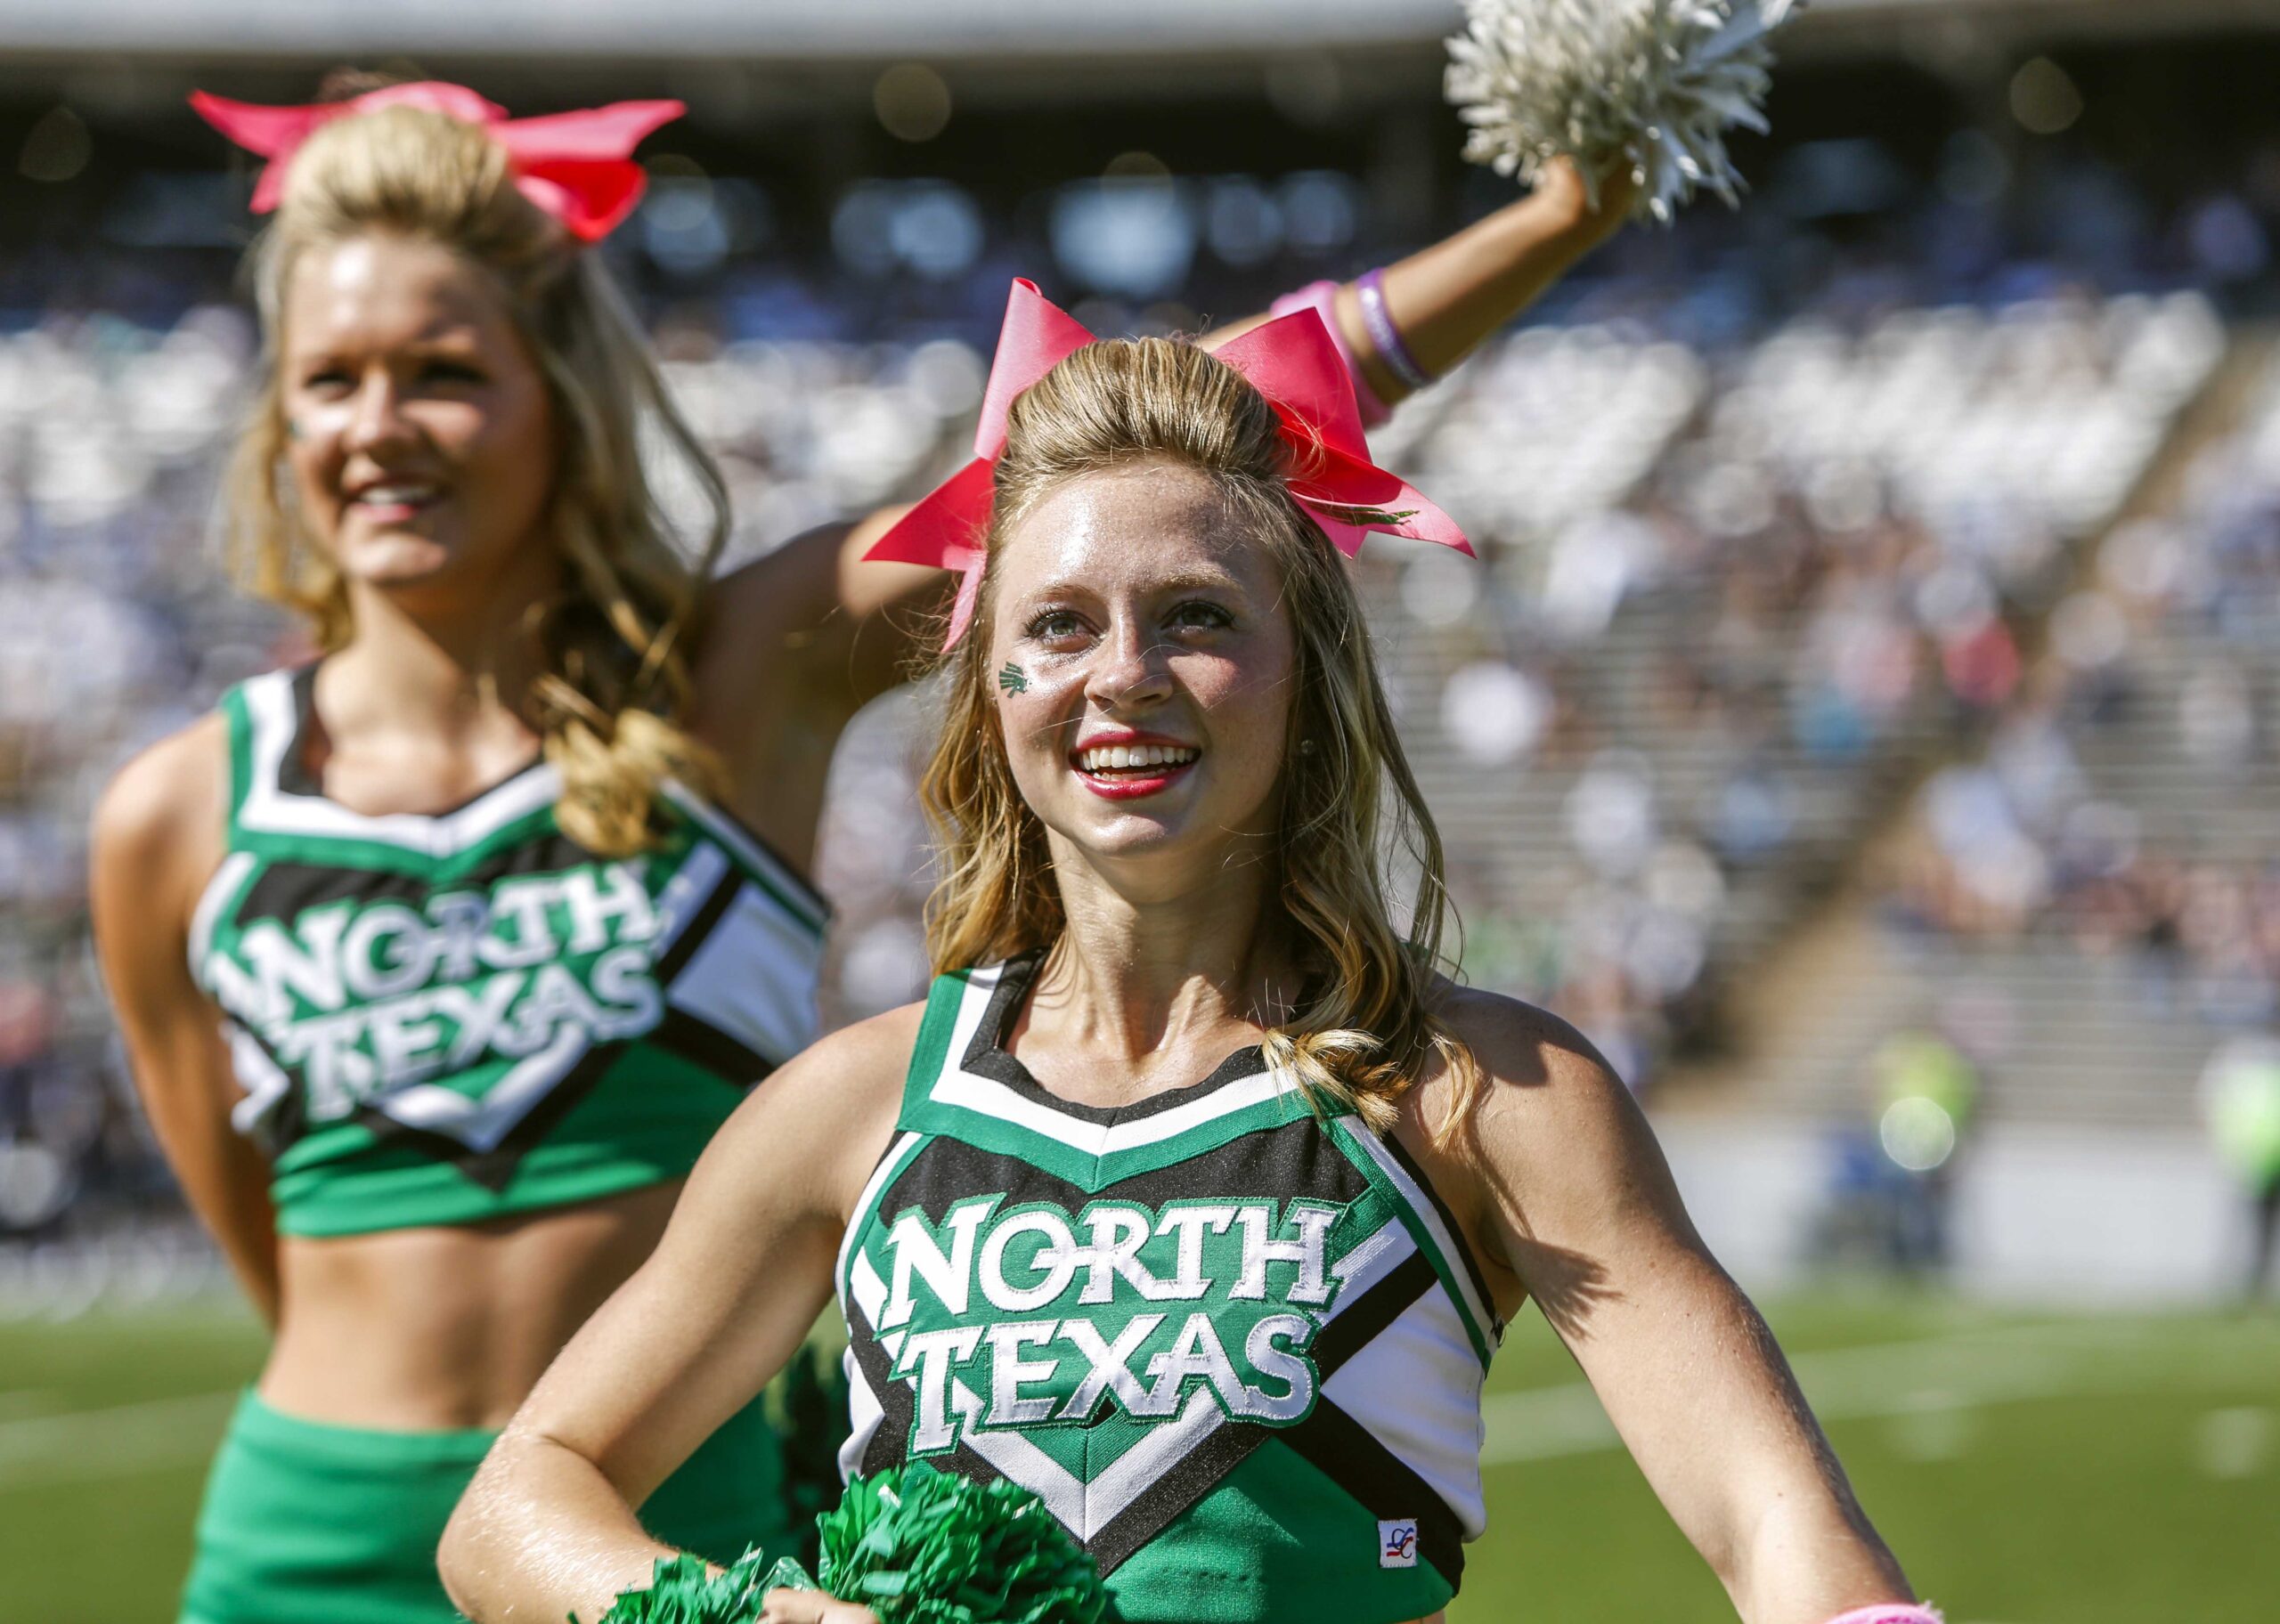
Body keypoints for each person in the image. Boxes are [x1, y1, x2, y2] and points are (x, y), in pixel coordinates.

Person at [91, 78, 1635, 1624]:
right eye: (329, 382)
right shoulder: (177, 814)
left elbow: (1139, 450)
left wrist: (1549, 224)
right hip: (303, 1543)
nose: (379, 428)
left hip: (682, 1534)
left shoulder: (737, 677)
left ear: (556, 389)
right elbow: (261, 1230)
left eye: (441, 373)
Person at [439, 302, 1927, 1624]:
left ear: (1310, 672)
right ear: (991, 688)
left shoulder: (1477, 1091)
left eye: (1198, 619)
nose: (1123, 676)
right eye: (1060, 625)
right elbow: (519, 1508)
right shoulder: (853, 1110)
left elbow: (1775, 1525)